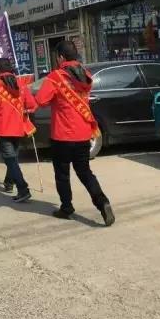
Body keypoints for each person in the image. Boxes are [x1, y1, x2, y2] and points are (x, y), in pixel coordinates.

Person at [35, 40, 115, 227]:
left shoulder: (56, 77)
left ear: (61, 57)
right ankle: (102, 202)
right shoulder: (85, 74)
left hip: (62, 135)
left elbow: (41, 100)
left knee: (62, 174)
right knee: (85, 172)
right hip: (83, 134)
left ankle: (66, 207)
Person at [0, 58, 37, 202]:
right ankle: (9, 183)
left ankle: (23, 189)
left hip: (2, 128)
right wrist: (25, 110)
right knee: (12, 157)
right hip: (18, 127)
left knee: (10, 159)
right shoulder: (21, 84)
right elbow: (32, 105)